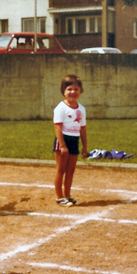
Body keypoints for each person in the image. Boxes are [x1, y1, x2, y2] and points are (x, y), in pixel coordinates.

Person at [53, 75, 87, 207]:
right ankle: (59, 197)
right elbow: (57, 127)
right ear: (63, 91)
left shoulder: (82, 109)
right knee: (61, 169)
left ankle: (67, 195)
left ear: (80, 91)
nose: (73, 92)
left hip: (74, 140)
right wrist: (62, 146)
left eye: (76, 89)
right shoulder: (60, 107)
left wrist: (84, 147)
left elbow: (83, 129)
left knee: (71, 170)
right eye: (69, 89)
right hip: (63, 140)